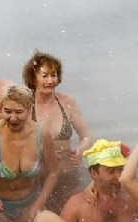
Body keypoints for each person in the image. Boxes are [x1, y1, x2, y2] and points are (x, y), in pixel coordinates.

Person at [0, 85, 59, 222]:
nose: (13, 118)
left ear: (30, 110)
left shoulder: (42, 135)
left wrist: (39, 203)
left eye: (19, 112)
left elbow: (53, 171)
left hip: (32, 201)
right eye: (7, 111)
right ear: (1, 109)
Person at [23, 51, 92, 210]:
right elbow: (13, 142)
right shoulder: (25, 104)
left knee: (71, 221)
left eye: (53, 75)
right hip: (36, 179)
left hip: (68, 176)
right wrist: (42, 154)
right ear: (33, 78)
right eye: (44, 76)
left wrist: (80, 150)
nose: (50, 81)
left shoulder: (67, 102)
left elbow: (86, 136)